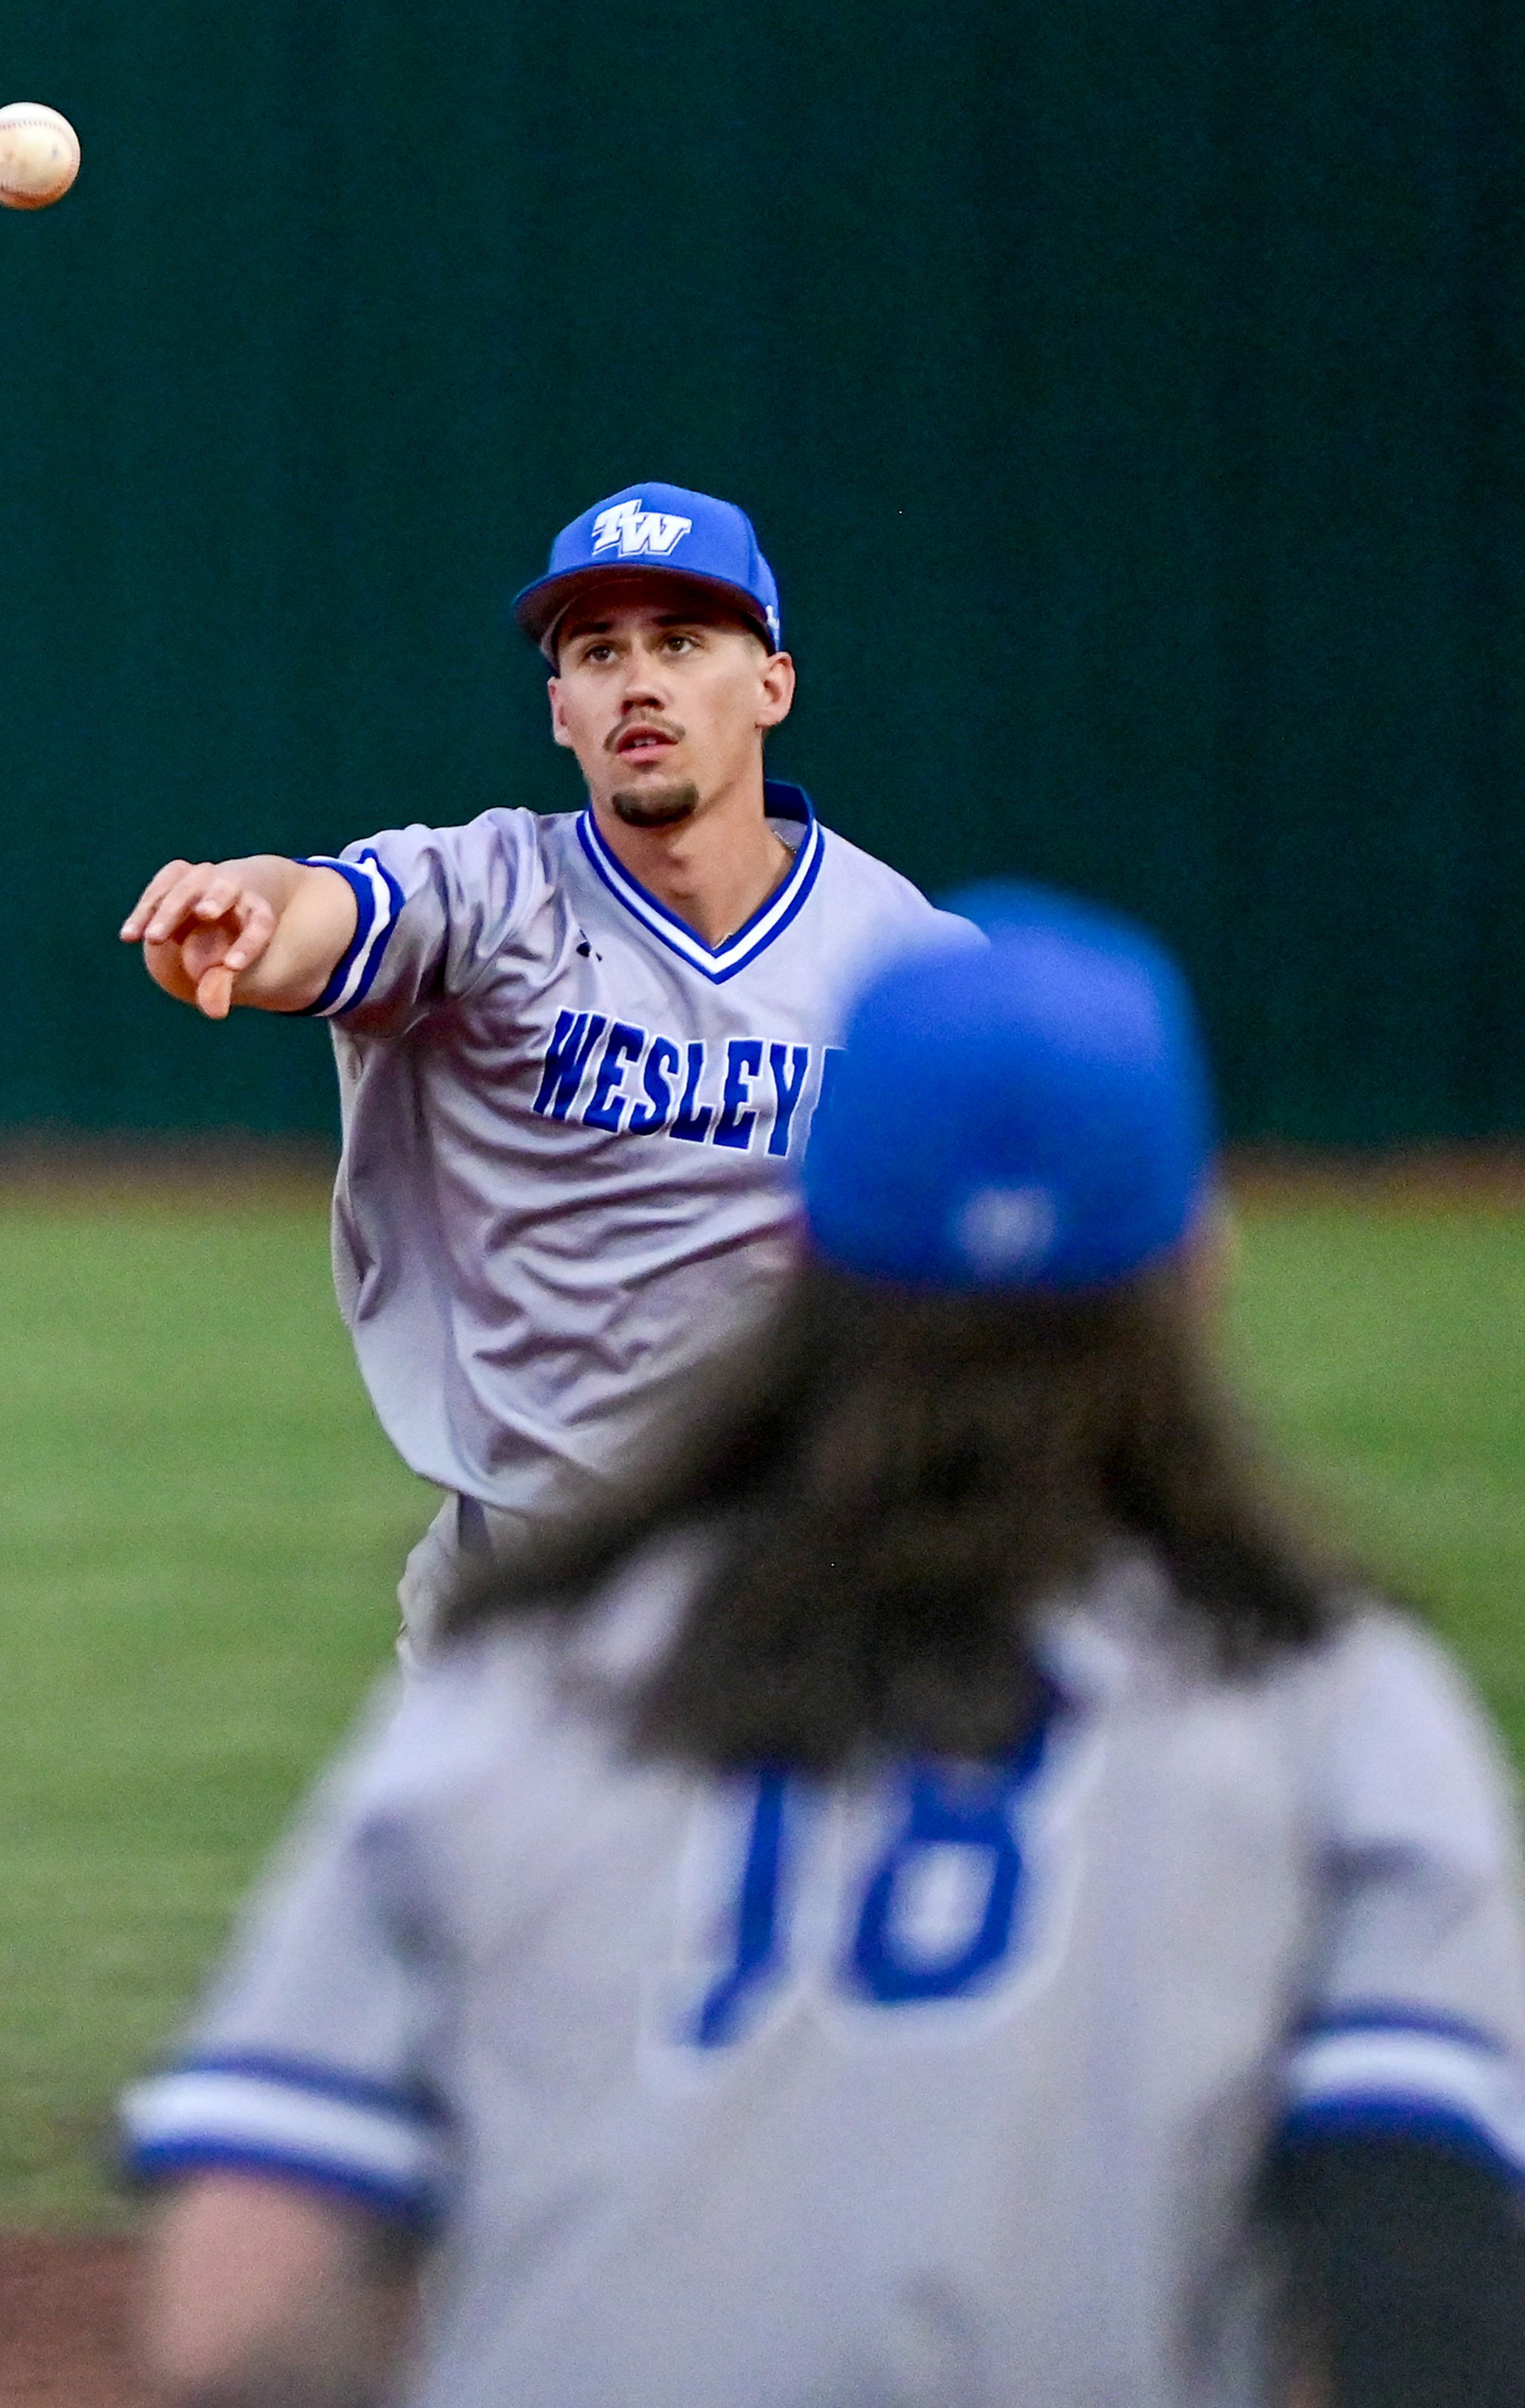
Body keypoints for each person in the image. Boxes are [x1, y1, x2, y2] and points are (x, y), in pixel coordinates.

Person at [123, 893, 1525, 2408]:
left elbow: (233, 2327)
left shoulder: (525, 1679)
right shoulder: (1322, 1701)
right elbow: (1418, 2281)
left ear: (800, 1255)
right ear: (1197, 1259)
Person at [120, 481, 982, 1654]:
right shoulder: (491, 897)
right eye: (597, 650)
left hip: (808, 1598)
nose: (639, 680)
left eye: (681, 641)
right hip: (529, 1604)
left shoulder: (912, 968)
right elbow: (322, 906)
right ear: (561, 712)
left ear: (772, 682)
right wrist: (246, 913)